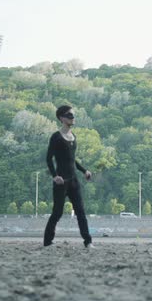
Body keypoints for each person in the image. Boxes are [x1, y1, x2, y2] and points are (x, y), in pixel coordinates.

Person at [43, 105, 94, 248]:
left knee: (81, 212)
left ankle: (88, 242)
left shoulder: (73, 137)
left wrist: (84, 171)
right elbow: (49, 158)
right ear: (61, 118)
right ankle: (47, 242)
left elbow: (72, 159)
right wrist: (55, 176)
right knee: (57, 213)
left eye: (73, 115)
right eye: (69, 115)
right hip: (61, 181)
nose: (73, 117)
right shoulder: (56, 137)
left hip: (74, 181)